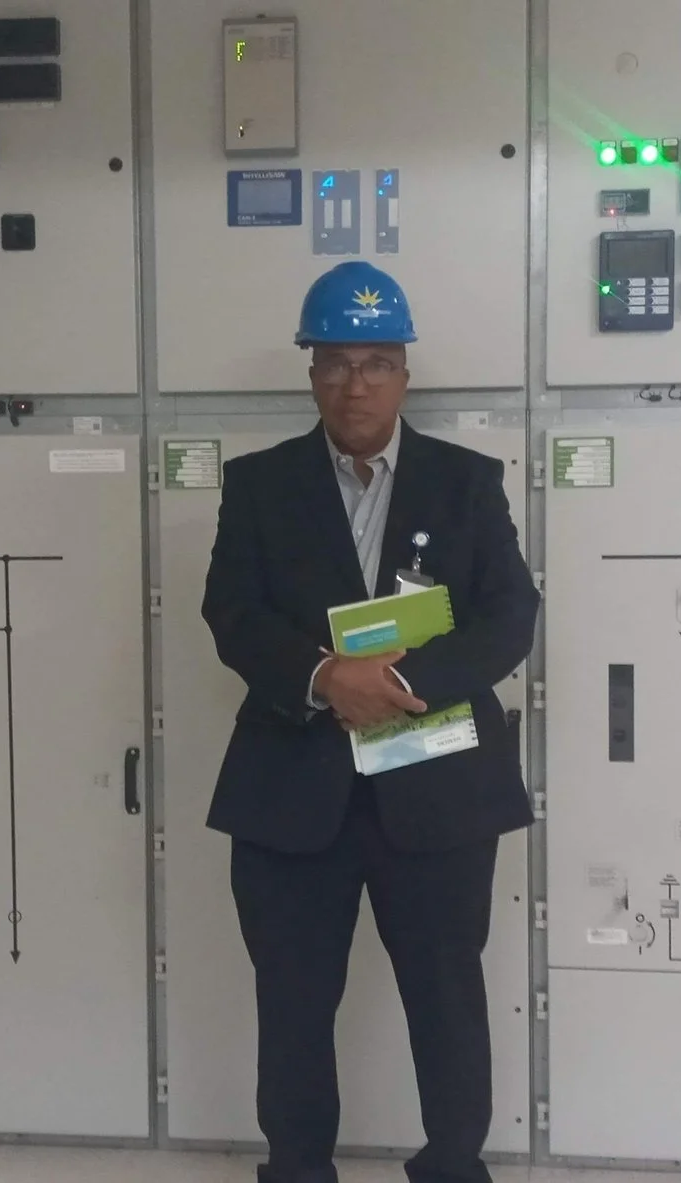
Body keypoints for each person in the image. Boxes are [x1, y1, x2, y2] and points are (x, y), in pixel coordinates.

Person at [202, 261, 541, 1183]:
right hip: (292, 796)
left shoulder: (468, 484)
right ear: (311, 371)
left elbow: (511, 614)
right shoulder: (260, 486)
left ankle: (451, 1166)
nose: (357, 383)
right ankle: (299, 1168)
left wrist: (394, 682)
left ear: (405, 372)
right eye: (338, 362)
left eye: (378, 362)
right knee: (295, 1005)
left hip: (436, 794)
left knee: (446, 1002)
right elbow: (231, 613)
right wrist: (322, 676)